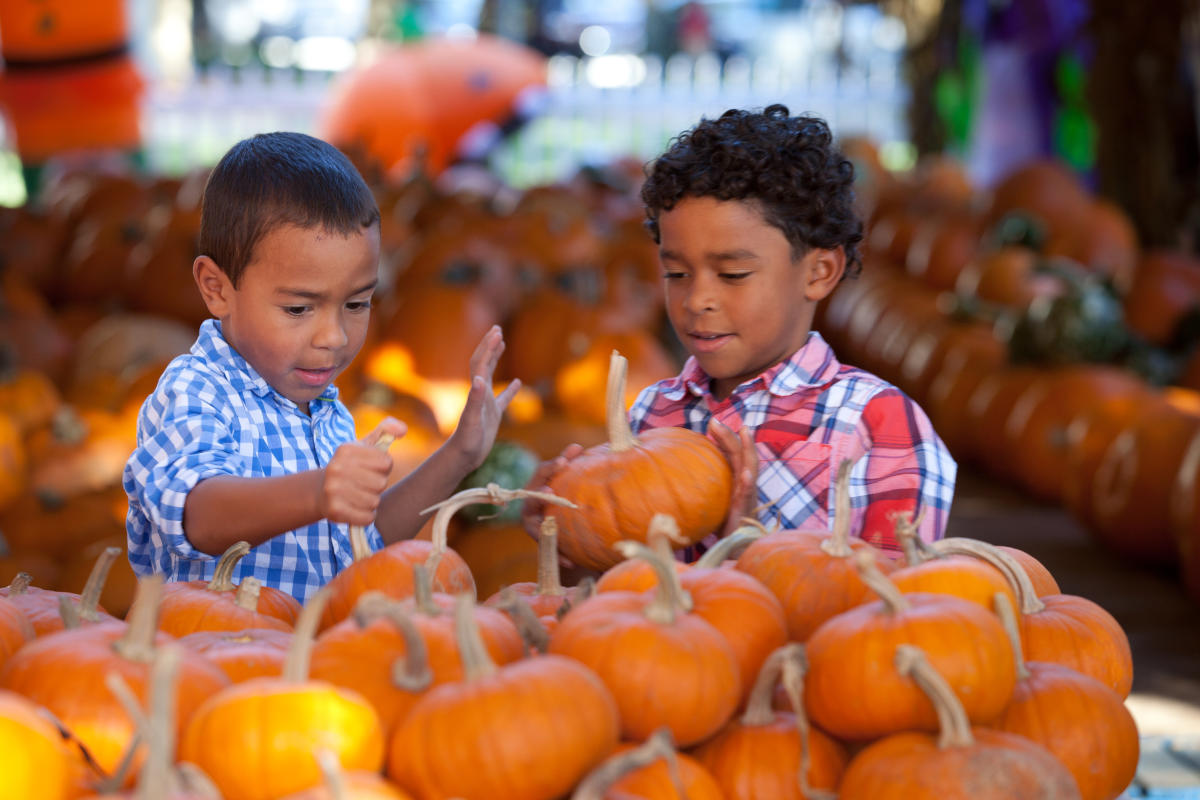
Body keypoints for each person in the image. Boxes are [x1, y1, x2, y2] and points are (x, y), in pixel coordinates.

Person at [527, 105, 956, 559]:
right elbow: (626, 597)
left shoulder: (877, 425)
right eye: (676, 274)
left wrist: (747, 553)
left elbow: (898, 609)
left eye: (732, 274)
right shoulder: (653, 415)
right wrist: (570, 540)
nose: (696, 300)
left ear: (819, 272)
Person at [123, 131, 518, 603]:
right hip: (221, 660)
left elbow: (365, 550)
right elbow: (197, 516)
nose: (334, 337)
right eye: (298, 309)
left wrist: (460, 455)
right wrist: (318, 492)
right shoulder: (198, 390)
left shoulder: (325, 412)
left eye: (356, 304)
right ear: (217, 288)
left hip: (318, 664)